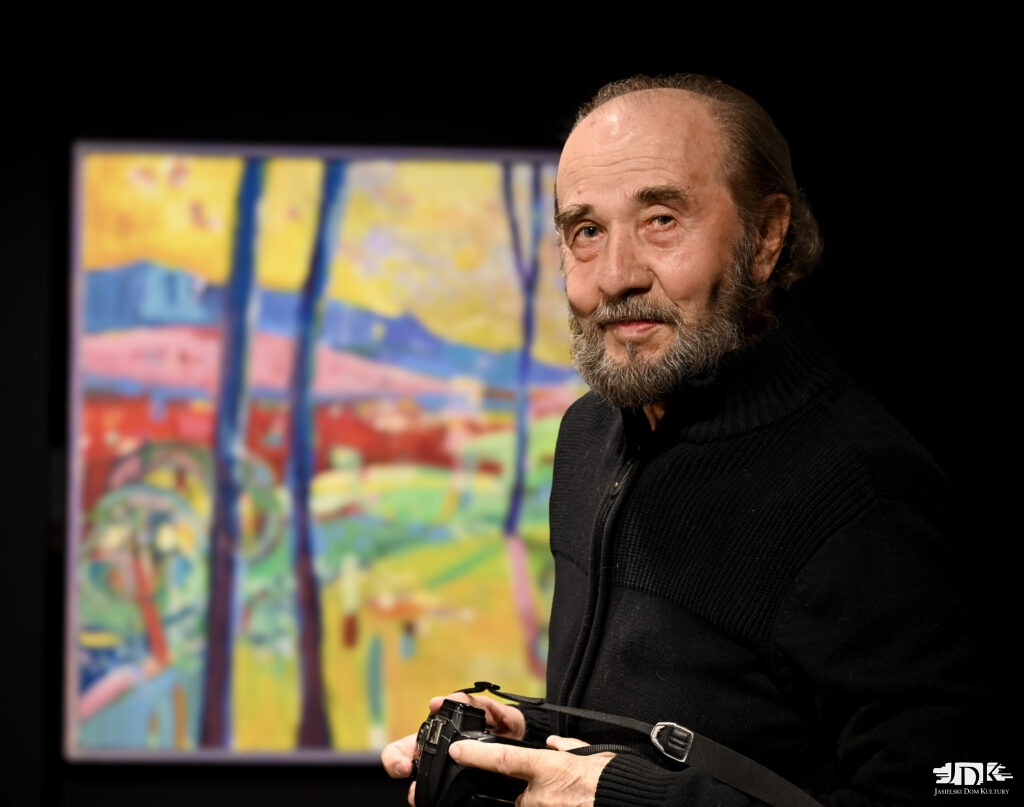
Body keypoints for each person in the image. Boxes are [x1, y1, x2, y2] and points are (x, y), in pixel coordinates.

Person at [381, 73, 997, 806]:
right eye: (586, 231)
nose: (616, 276)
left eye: (661, 219)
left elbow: (970, 784)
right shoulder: (588, 435)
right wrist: (531, 741)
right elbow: (705, 723)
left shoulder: (864, 493)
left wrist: (624, 796)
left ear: (765, 238)